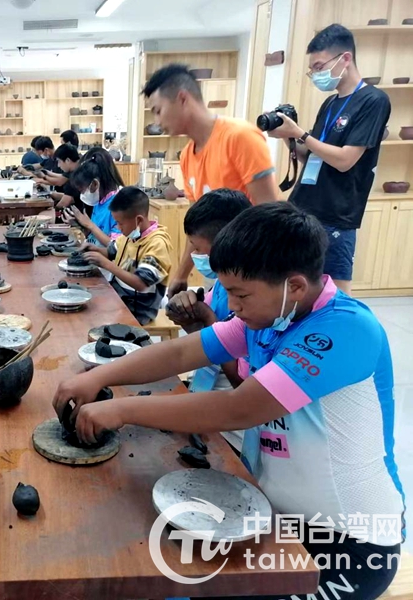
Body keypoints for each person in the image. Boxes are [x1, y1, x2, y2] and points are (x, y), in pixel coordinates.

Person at [54, 202, 404, 600]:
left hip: (349, 545)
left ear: (295, 286)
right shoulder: (270, 316)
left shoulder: (345, 329)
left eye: (240, 294)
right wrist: (98, 376)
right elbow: (182, 353)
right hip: (273, 515)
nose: (231, 306)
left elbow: (239, 408)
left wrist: (119, 408)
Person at [266, 24, 391, 295]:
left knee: (335, 295)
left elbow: (346, 160)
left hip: (336, 215)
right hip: (303, 208)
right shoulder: (330, 103)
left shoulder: (373, 100)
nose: (316, 75)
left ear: (345, 59)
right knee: (296, 287)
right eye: (313, 69)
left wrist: (300, 133)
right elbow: (313, 156)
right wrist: (289, 138)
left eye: (320, 66)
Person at [143, 64, 278, 298]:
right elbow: (198, 227)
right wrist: (182, 275)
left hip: (252, 269)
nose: (156, 121)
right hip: (219, 268)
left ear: (182, 98)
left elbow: (271, 214)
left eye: (158, 110)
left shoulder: (240, 137)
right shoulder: (187, 156)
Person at [165, 188, 252, 450]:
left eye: (199, 249)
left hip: (236, 423)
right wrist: (186, 318)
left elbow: (240, 379)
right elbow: (203, 341)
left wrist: (207, 316)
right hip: (207, 388)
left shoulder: (253, 293)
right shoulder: (221, 284)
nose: (195, 256)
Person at [80, 186, 172, 324]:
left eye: (120, 223)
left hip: (139, 309)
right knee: (83, 298)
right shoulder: (130, 235)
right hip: (119, 297)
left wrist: (106, 264)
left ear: (138, 220)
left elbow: (141, 284)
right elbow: (111, 252)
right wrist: (94, 249)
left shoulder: (157, 244)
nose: (117, 227)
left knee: (88, 318)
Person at [64, 150, 123, 246]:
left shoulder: (119, 205)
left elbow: (116, 248)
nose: (82, 195)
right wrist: (78, 224)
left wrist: (89, 225)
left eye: (82, 190)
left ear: (95, 184)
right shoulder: (99, 201)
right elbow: (93, 235)